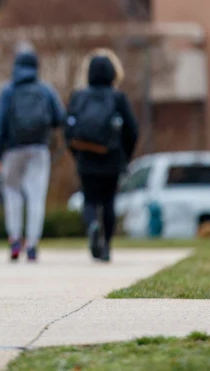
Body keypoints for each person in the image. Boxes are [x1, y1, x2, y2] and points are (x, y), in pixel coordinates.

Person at [0, 43, 65, 262]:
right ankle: (32, 244)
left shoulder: (8, 91)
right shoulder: (45, 90)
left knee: (12, 192)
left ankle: (14, 239)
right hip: (39, 150)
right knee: (36, 196)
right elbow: (60, 117)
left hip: (12, 150)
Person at [65, 48, 138, 262]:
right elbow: (132, 130)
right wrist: (126, 156)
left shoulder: (78, 96)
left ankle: (92, 225)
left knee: (89, 200)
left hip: (86, 157)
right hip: (112, 157)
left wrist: (77, 154)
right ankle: (106, 246)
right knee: (108, 202)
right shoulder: (118, 98)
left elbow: (68, 131)